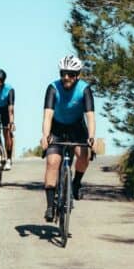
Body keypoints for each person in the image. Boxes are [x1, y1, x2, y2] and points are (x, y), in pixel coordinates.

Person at [40, 55, 96, 222]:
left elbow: (90, 117)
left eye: (71, 74)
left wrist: (92, 137)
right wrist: (45, 136)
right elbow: (48, 115)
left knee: (83, 155)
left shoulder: (84, 90)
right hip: (57, 127)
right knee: (52, 163)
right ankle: (50, 206)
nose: (66, 77)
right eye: (63, 73)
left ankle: (76, 183)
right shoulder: (53, 88)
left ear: (77, 75)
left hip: (77, 127)